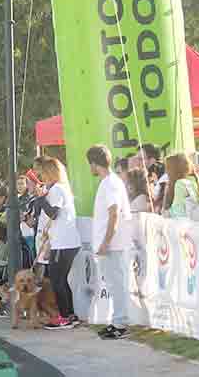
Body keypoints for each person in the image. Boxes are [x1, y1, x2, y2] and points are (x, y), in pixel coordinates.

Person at [87, 145, 132, 340]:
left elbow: (114, 213)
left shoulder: (110, 183)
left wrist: (106, 241)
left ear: (94, 163)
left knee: (117, 284)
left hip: (112, 244)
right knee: (114, 284)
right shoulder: (109, 182)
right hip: (109, 243)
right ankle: (116, 321)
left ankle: (121, 324)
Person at [33, 156, 81, 330]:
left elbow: (53, 213)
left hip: (63, 243)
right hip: (64, 242)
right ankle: (69, 315)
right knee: (60, 280)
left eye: (42, 173)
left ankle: (64, 317)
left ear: (50, 172)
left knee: (57, 280)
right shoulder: (60, 188)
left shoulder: (57, 189)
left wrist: (41, 199)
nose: (40, 177)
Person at [163, 153, 199, 219]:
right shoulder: (197, 180)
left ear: (174, 169)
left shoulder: (180, 183)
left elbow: (178, 212)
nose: (166, 171)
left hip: (186, 223)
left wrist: (166, 212)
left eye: (167, 168)